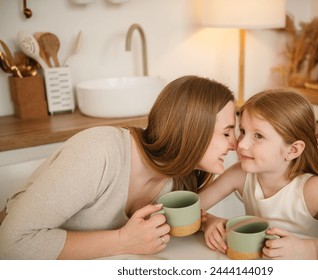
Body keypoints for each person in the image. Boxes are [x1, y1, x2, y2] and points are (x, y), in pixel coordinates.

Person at [0, 75, 237, 259]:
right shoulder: (100, 150)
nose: (235, 144)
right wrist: (123, 240)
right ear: (194, 130)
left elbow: (165, 219)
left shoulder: (177, 177)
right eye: (227, 133)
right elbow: (12, 242)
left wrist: (207, 222)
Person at [199, 89, 318, 259]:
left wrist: (308, 251)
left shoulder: (313, 190)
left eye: (258, 136)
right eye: (243, 131)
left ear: (292, 150)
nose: (241, 144)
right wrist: (209, 223)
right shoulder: (240, 175)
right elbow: (190, 209)